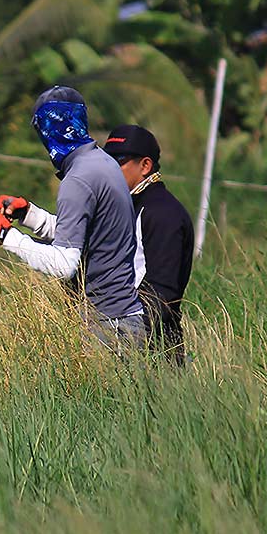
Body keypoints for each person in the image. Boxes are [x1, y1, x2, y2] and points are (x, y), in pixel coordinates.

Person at [0, 86, 146, 345]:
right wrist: (28, 215)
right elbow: (87, 232)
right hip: (128, 319)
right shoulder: (104, 163)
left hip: (108, 327)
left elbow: (64, 264)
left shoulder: (77, 179)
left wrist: (6, 236)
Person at [100, 124, 194, 362]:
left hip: (155, 353)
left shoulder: (163, 212)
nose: (109, 170)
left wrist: (124, 341)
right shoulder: (125, 204)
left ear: (145, 165)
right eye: (106, 162)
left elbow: (162, 293)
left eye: (118, 163)